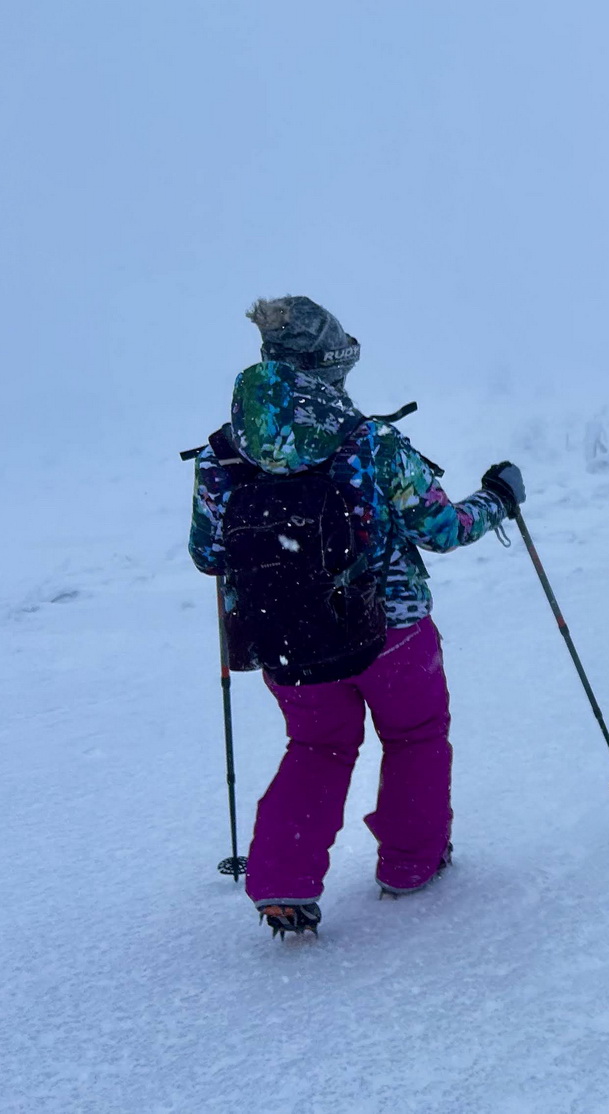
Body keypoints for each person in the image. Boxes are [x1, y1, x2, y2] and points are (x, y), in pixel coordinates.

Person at [187, 296, 525, 937]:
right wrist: (500, 498)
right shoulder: (370, 442)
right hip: (390, 629)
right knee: (415, 735)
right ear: (330, 369)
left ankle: (282, 885)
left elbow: (208, 554)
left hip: (284, 637)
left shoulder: (219, 457)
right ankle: (409, 866)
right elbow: (443, 529)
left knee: (314, 745)